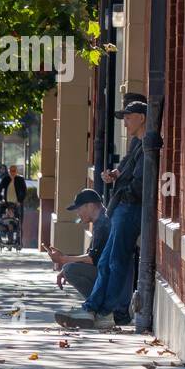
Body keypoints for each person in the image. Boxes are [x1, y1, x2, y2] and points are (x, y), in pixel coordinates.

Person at [57, 100, 146, 329]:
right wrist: (113, 175)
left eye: (128, 117)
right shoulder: (136, 144)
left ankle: (104, 313)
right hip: (121, 210)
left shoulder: (148, 146)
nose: (125, 123)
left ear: (141, 118)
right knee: (107, 262)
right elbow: (124, 167)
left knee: (115, 262)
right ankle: (91, 309)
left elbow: (139, 186)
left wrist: (122, 194)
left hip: (129, 210)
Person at [44, 188, 131, 324]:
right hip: (114, 280)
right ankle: (95, 308)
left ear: (89, 206)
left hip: (117, 283)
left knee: (70, 270)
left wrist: (63, 259)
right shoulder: (101, 221)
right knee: (69, 269)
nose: (78, 214)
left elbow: (93, 259)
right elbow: (93, 256)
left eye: (79, 209)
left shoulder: (104, 223)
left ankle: (99, 310)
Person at [0, 163, 27, 251]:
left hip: (17, 204)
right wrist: (0, 199)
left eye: (14, 171)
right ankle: (9, 241)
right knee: (9, 222)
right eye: (11, 171)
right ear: (9, 171)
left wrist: (19, 201)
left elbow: (23, 191)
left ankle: (19, 242)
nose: (12, 172)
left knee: (18, 223)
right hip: (7, 204)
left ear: (16, 171)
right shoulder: (5, 179)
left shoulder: (20, 179)